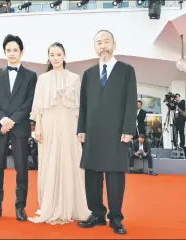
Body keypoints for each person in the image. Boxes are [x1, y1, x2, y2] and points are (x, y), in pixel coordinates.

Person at [77, 30, 137, 235]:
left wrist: (129, 129)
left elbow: (131, 101)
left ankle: (116, 218)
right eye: (99, 43)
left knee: (115, 176)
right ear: (95, 47)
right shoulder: (88, 74)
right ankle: (96, 214)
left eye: (106, 42)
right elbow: (83, 105)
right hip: (92, 132)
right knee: (92, 174)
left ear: (114, 44)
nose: (102, 46)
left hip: (117, 132)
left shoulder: (126, 70)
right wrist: (81, 129)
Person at [28, 42, 91, 225]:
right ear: (48, 57)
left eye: (58, 54)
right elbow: (38, 108)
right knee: (49, 163)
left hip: (70, 126)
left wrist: (81, 130)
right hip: (48, 126)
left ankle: (72, 206)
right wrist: (38, 128)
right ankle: (51, 205)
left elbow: (80, 108)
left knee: (71, 162)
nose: (55, 58)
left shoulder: (74, 78)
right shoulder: (43, 79)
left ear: (64, 55)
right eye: (52, 55)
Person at [0, 34, 37, 222]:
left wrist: (12, 120)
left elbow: (30, 101)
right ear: (4, 52)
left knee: (22, 170)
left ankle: (20, 207)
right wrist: (3, 119)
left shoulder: (30, 76)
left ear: (21, 52)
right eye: (8, 50)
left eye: (15, 50)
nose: (12, 53)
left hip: (19, 128)